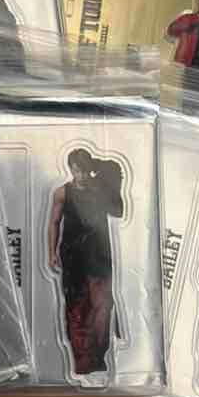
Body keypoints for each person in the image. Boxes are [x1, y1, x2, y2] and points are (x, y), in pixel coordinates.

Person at [48, 148, 123, 374]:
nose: (80, 175)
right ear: (70, 169)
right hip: (73, 257)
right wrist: (51, 252)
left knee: (102, 306)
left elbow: (119, 211)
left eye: (84, 170)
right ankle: (82, 361)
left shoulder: (100, 189)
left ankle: (99, 358)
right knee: (77, 308)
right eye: (76, 170)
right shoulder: (62, 193)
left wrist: (98, 171)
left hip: (100, 255)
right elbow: (53, 223)